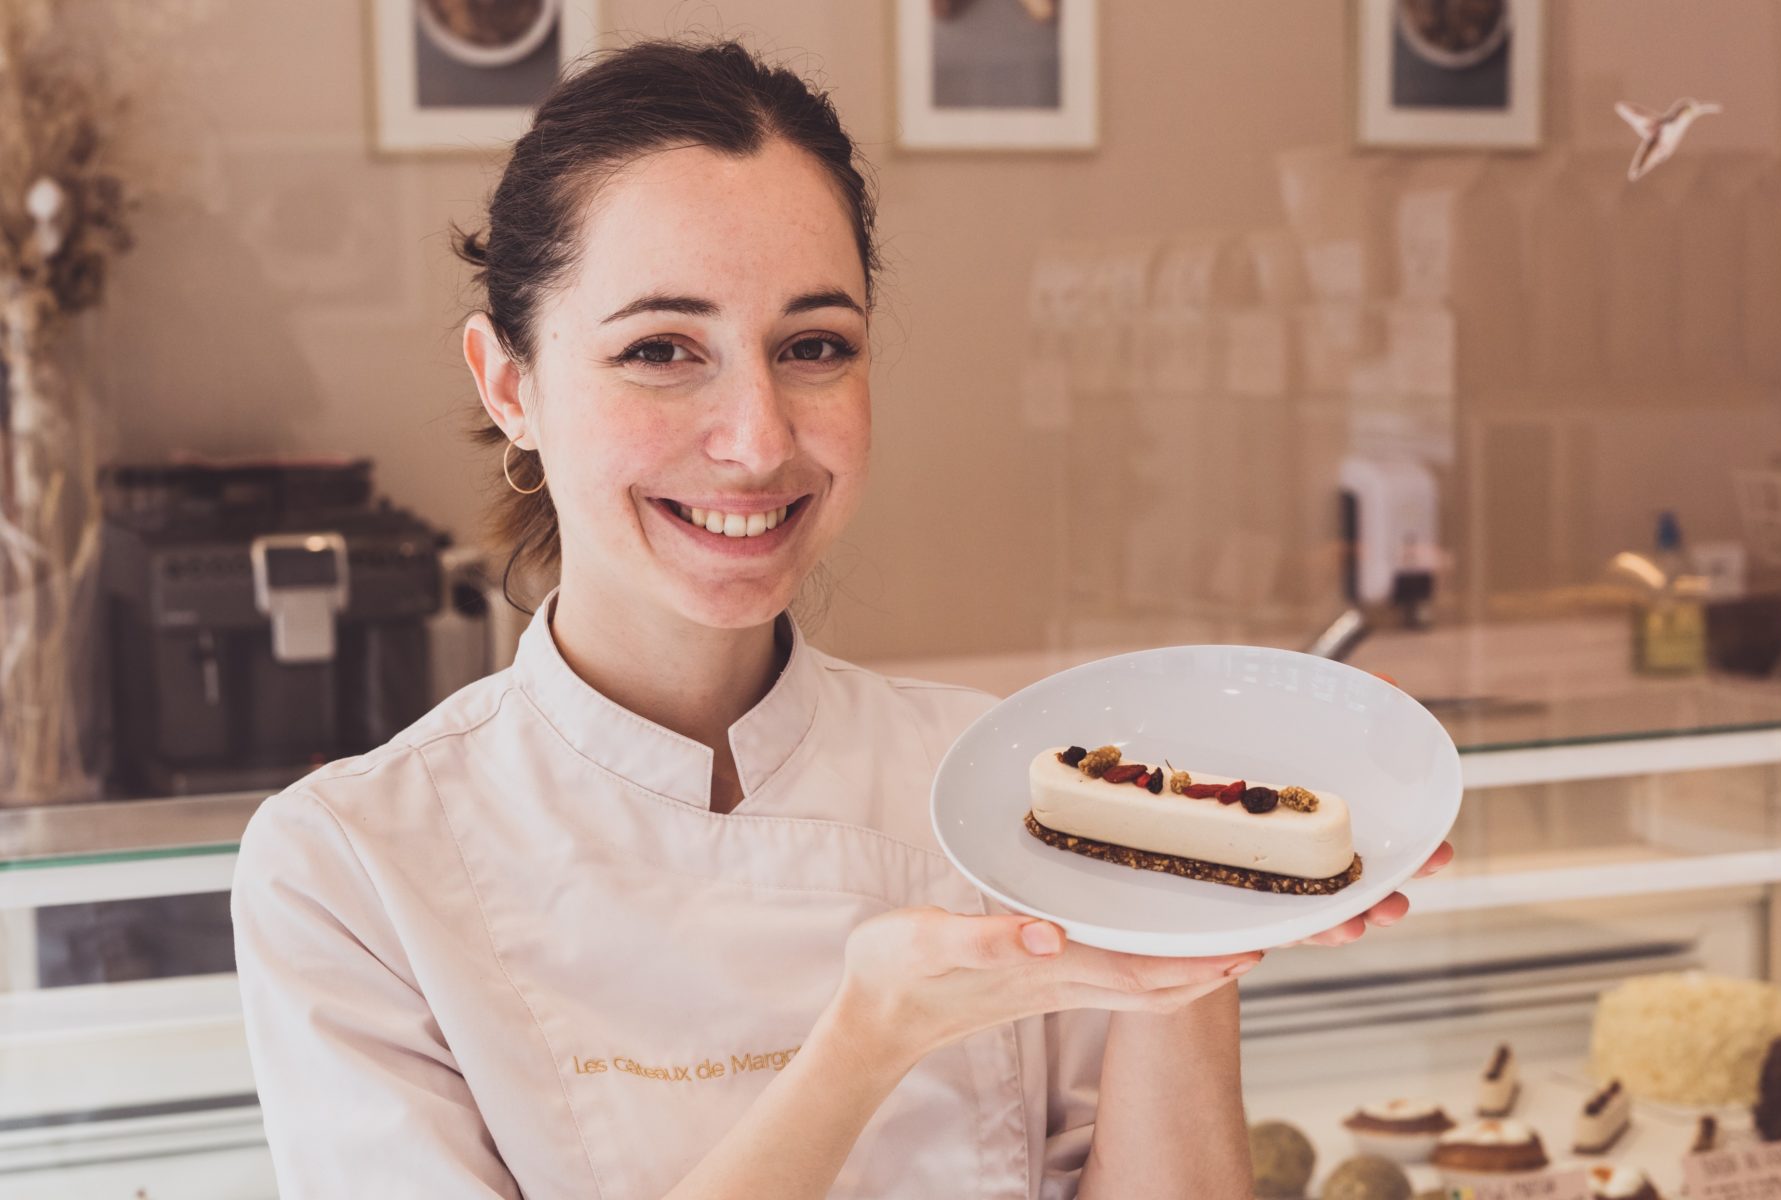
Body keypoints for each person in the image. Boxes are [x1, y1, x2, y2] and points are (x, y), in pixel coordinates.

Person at [231, 37, 1451, 1200]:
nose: (758, 438)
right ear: (509, 384)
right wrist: (869, 1037)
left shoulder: (998, 790)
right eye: (661, 349)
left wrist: (1199, 921)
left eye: (813, 345)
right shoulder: (348, 869)